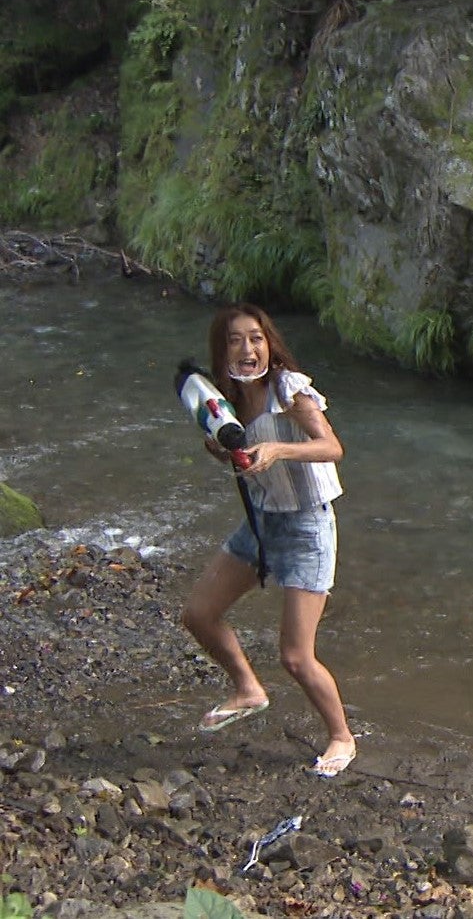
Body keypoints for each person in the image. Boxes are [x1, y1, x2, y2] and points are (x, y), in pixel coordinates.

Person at [180, 303, 357, 777]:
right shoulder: (224, 401)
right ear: (223, 351)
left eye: (256, 338)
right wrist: (223, 453)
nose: (248, 348)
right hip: (260, 522)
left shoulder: (288, 389)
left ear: (269, 344)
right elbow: (245, 459)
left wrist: (279, 449)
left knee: (296, 657)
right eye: (236, 340)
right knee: (198, 614)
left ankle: (342, 737)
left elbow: (332, 448)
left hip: (307, 526)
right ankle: (247, 689)